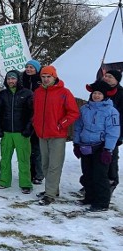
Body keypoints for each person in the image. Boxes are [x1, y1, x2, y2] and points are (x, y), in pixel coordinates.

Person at [33, 65, 80, 206]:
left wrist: (61, 124)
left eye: (49, 77)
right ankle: (53, 189)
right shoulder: (38, 92)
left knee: (54, 165)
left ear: (54, 77)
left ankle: (50, 194)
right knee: (45, 163)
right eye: (43, 77)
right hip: (42, 133)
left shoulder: (64, 92)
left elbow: (74, 112)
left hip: (57, 135)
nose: (46, 79)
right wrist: (35, 123)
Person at [73, 81, 120, 212]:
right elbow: (78, 127)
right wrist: (76, 143)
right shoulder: (84, 109)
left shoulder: (111, 111)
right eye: (95, 93)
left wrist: (108, 149)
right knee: (87, 173)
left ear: (104, 95)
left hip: (101, 146)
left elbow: (113, 131)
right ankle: (89, 197)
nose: (97, 96)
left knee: (100, 175)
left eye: (99, 94)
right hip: (85, 145)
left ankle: (102, 202)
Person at [0, 70, 34, 193]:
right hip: (7, 132)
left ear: (18, 80)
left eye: (13, 79)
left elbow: (33, 113)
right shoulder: (3, 94)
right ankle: (4, 180)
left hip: (21, 133)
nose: (11, 81)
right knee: (5, 158)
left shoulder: (27, 93)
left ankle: (26, 183)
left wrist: (28, 129)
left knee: (23, 159)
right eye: (9, 79)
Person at [21, 60, 44, 185]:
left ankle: (39, 174)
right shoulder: (22, 79)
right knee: (27, 148)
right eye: (27, 67)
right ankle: (28, 172)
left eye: (31, 67)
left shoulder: (40, 81)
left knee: (37, 148)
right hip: (25, 117)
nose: (29, 69)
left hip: (38, 117)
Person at [101, 69, 123, 193]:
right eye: (106, 76)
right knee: (98, 158)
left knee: (111, 157)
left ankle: (111, 180)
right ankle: (96, 182)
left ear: (116, 80)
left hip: (114, 131)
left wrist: (120, 135)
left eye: (110, 77)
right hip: (98, 132)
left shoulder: (121, 93)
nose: (107, 78)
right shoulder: (100, 90)